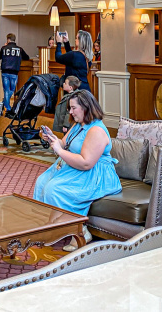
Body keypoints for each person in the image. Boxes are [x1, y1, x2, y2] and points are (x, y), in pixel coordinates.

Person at [36, 90, 122, 251]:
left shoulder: (96, 130)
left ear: (85, 107)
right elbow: (64, 144)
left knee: (54, 189)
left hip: (96, 174)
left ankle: (79, 231)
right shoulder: (79, 125)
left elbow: (86, 163)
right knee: (41, 182)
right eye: (70, 108)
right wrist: (52, 139)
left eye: (73, 108)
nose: (70, 112)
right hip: (75, 166)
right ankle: (54, 228)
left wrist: (60, 151)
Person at [0, 33, 31, 111]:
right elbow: (27, 57)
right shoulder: (19, 49)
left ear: (8, 39)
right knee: (12, 90)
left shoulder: (4, 48)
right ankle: (8, 108)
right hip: (14, 72)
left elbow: (0, 57)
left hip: (5, 72)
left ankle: (5, 104)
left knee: (6, 90)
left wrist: (5, 46)